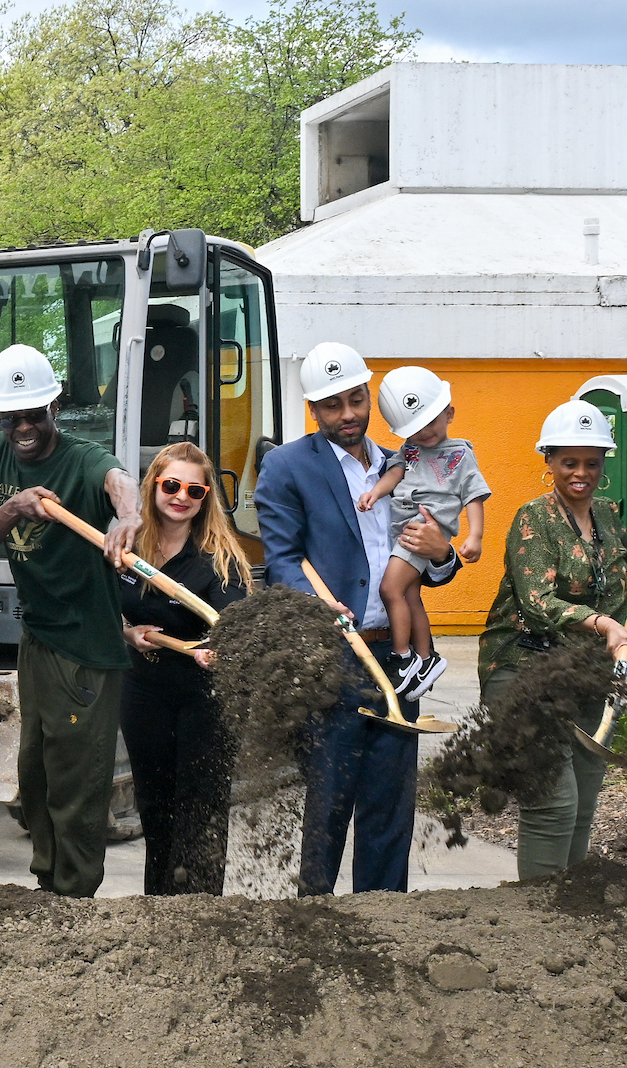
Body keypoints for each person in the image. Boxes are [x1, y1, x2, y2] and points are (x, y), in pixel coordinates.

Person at [255, 341, 458, 896]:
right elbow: (282, 558)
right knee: (329, 797)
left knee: (390, 802)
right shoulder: (287, 467)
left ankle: (384, 914)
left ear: (369, 397)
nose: (347, 414)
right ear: (313, 409)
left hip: (397, 655)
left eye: (356, 400)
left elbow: (428, 563)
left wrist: (443, 554)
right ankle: (315, 919)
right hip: (333, 658)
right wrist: (314, 602)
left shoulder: (405, 464)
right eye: (332, 405)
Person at [0, 342, 139, 898]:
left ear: (54, 408)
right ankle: (48, 887)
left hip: (85, 645)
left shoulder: (82, 459)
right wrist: (14, 507)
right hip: (37, 635)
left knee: (77, 778)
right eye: (10, 418)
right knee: (36, 773)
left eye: (33, 415)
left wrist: (129, 516)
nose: (22, 428)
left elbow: (118, 479)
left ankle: (75, 894)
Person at [480, 399, 627, 881]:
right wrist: (605, 624)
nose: (581, 473)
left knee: (583, 798)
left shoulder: (606, 513)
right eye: (569, 462)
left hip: (583, 673)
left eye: (591, 463)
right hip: (523, 671)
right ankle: (538, 908)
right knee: (552, 803)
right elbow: (537, 602)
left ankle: (572, 902)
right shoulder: (533, 519)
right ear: (549, 461)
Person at [116, 442, 252, 895]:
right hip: (142, 689)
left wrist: (214, 647)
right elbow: (102, 609)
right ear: (154, 485)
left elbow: (232, 623)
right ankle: (159, 906)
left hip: (204, 695)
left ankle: (201, 909)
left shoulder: (219, 557)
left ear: (206, 497)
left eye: (194, 491)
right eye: (171, 485)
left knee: (201, 807)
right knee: (154, 803)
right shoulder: (127, 546)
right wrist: (127, 633)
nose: (181, 497)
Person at [359, 365, 492, 697]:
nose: (425, 432)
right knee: (410, 595)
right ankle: (425, 657)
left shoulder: (461, 454)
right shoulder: (410, 449)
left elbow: (474, 495)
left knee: (390, 589)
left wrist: (475, 536)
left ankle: (402, 657)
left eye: (431, 422)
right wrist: (375, 492)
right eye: (416, 428)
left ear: (450, 413)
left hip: (421, 530)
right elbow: (396, 474)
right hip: (402, 529)